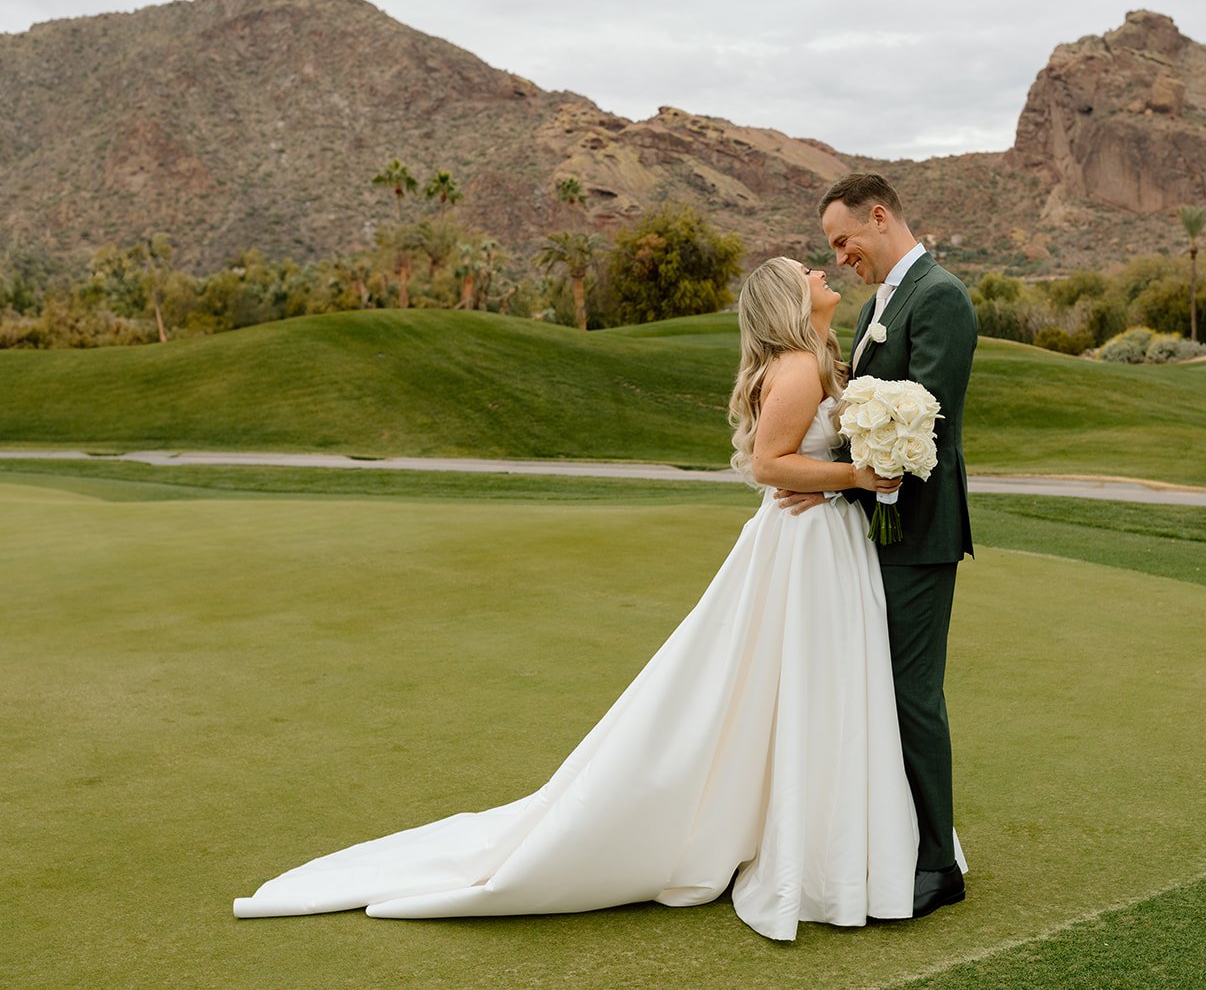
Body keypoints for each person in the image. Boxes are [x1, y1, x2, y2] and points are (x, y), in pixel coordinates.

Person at [233, 257, 929, 941]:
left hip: (821, 541)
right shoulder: (800, 366)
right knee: (805, 683)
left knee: (807, 686)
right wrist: (858, 476)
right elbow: (769, 464)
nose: (820, 274)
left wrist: (849, 476)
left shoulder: (812, 359)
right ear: (787, 297)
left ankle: (819, 831)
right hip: (807, 550)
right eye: (806, 270)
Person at [780, 172, 978, 919]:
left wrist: (834, 482)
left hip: (920, 533)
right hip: (877, 528)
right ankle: (893, 838)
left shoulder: (941, 297)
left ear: (880, 215)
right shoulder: (880, 305)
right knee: (879, 689)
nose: (840, 256)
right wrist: (837, 477)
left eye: (843, 240)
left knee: (911, 693)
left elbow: (927, 420)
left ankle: (936, 864)